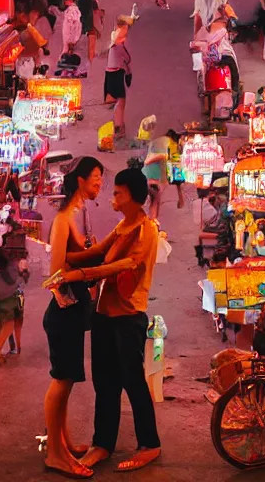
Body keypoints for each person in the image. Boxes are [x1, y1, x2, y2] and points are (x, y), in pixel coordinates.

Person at [42, 159, 135, 479]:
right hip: (63, 313)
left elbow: (76, 258)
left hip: (74, 313)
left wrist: (106, 246)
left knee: (66, 383)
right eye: (95, 178)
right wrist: (93, 261)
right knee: (61, 382)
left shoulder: (79, 215)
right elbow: (57, 273)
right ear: (80, 180)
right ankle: (55, 454)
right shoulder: (64, 218)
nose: (100, 184)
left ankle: (63, 443)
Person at [80, 168, 161, 472]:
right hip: (103, 313)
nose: (112, 197)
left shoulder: (146, 229)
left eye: (117, 192)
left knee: (132, 381)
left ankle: (149, 443)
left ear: (132, 197)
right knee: (104, 382)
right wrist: (66, 255)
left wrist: (83, 274)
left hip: (129, 316)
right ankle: (103, 443)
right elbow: (99, 252)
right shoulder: (121, 226)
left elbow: (129, 264)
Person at [0, 248, 29, 369]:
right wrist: (23, 274)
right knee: (8, 327)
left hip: (0, 302)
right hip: (10, 301)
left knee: (4, 327)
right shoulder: (11, 268)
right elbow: (16, 282)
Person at [104, 13, 136, 139]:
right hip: (116, 74)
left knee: (117, 100)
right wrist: (128, 72)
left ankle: (118, 125)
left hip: (112, 73)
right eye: (126, 28)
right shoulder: (117, 42)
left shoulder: (116, 39)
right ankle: (118, 126)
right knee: (121, 101)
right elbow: (127, 59)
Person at [77, 0, 99, 64]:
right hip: (87, 19)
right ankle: (91, 57)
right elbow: (95, 5)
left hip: (80, 20)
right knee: (92, 33)